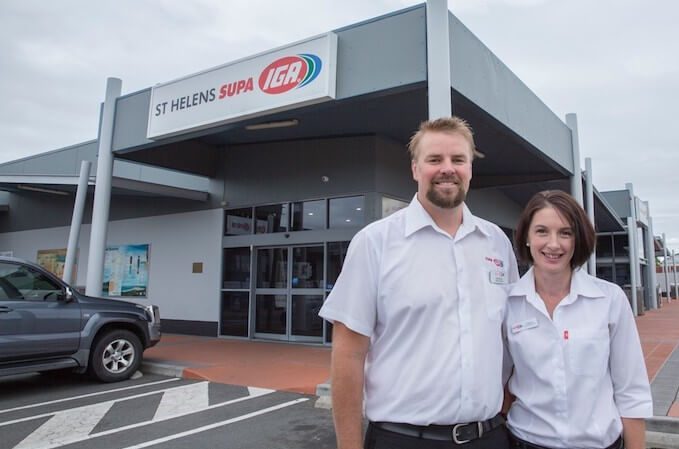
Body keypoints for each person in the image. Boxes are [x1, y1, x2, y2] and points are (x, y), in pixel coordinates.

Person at [319, 116, 519, 449]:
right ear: (415, 169)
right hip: (404, 439)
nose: (447, 168)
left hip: (489, 437)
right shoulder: (375, 242)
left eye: (458, 159)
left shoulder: (496, 242)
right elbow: (348, 356)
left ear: (470, 168)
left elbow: (510, 337)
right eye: (434, 159)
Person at [504, 190, 652, 449]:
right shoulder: (507, 303)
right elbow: (499, 382)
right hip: (525, 441)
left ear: (577, 239)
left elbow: (631, 390)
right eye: (541, 231)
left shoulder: (609, 300)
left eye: (565, 232)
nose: (553, 244)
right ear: (526, 237)